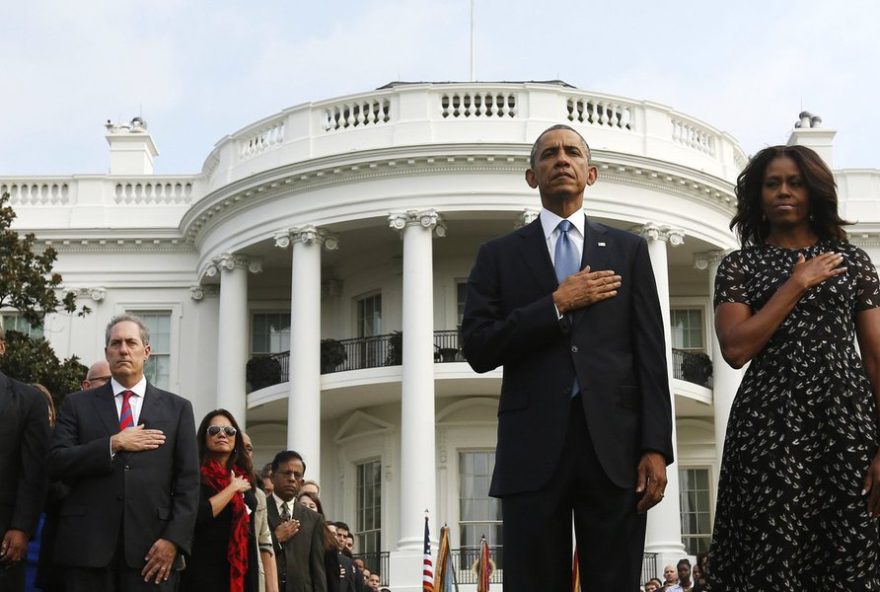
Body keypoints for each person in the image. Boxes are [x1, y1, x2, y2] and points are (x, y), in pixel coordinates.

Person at [461, 124, 673, 592]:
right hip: (532, 448)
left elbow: (650, 354)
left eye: (572, 152)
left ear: (590, 173)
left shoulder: (629, 250)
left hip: (613, 448)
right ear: (531, 177)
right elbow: (477, 347)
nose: (562, 159)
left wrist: (655, 447)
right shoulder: (498, 256)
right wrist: (556, 304)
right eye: (549, 154)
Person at [708, 145, 880, 590]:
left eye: (795, 182)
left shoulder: (851, 262)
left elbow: (877, 356)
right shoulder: (739, 265)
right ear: (758, 196)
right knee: (770, 555)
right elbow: (735, 347)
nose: (784, 191)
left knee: (848, 554)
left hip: (845, 427)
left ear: (813, 191)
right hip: (768, 428)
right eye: (772, 183)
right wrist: (797, 283)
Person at [50, 313, 199, 591]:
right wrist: (113, 444)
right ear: (107, 352)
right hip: (87, 548)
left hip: (152, 551)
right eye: (116, 343)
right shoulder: (76, 404)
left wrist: (173, 541)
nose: (123, 349)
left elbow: (188, 484)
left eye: (131, 342)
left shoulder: (177, 409)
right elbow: (57, 461)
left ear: (147, 351)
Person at [180, 410, 259, 591]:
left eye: (229, 431)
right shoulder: (195, 475)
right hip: (203, 570)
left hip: (240, 569)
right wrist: (231, 489)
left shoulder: (243, 477)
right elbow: (197, 515)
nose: (222, 434)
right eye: (214, 430)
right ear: (204, 438)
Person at [0, 326, 50, 592]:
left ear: (1, 347)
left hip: (4, 534)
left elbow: (34, 471)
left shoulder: (28, 401)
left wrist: (22, 527)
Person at [267, 450, 327, 592]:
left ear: (302, 482)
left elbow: (317, 569)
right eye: (286, 473)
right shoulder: (258, 510)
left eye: (297, 475)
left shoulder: (314, 519)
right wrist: (275, 539)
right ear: (272, 477)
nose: (292, 478)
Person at [242, 432, 280, 592]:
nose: (245, 452)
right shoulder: (204, 485)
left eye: (249, 448)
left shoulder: (257, 495)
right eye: (240, 446)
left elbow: (265, 546)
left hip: (251, 577)